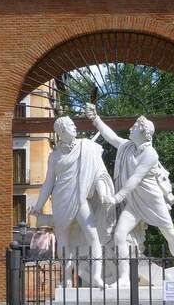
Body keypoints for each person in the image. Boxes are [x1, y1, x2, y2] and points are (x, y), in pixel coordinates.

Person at [85, 103, 174, 286]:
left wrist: (115, 199)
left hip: (152, 202)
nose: (130, 128)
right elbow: (111, 137)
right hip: (134, 205)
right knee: (119, 235)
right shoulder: (128, 147)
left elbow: (133, 181)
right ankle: (124, 278)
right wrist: (95, 119)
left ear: (142, 132)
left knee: (170, 235)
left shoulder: (151, 154)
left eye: (134, 126)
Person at [28, 116, 115, 288]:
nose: (75, 128)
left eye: (74, 125)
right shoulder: (54, 156)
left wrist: (102, 192)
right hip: (61, 200)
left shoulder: (86, 146)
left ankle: (97, 277)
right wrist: (38, 206)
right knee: (63, 241)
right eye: (70, 126)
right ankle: (67, 278)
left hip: (80, 198)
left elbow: (98, 172)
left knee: (93, 237)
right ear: (61, 131)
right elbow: (48, 182)